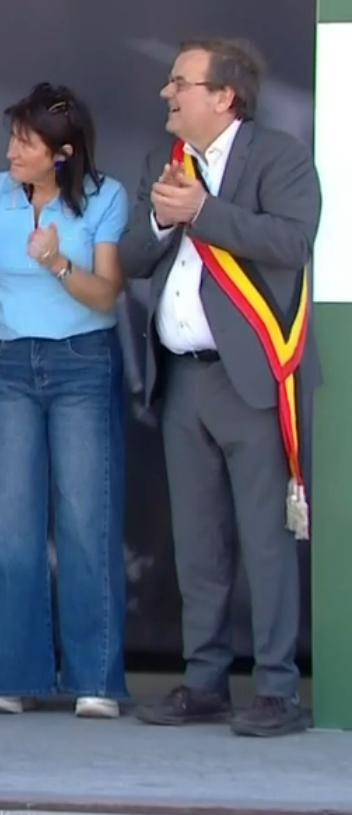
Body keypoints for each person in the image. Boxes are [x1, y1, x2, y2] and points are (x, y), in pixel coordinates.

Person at [120, 39, 320, 738]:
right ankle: (204, 681)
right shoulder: (165, 161)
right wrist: (160, 218)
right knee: (197, 542)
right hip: (183, 380)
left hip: (252, 380)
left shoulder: (279, 157)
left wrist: (202, 212)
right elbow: (133, 257)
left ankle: (276, 690)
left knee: (266, 541)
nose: (167, 94)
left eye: (181, 83)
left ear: (224, 96)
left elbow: (292, 242)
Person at [0, 83, 130, 718]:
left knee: (85, 518)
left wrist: (56, 263)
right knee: (10, 520)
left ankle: (94, 679)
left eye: (26, 143)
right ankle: (9, 674)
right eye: (13, 139)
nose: (11, 152)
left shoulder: (105, 197)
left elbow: (106, 294)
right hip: (7, 365)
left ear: (62, 152)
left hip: (81, 364)